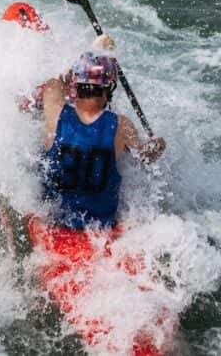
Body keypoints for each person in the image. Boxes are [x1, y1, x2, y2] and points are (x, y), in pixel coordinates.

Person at [37, 36, 166, 233]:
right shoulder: (122, 126)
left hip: (56, 226)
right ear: (109, 88)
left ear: (76, 84)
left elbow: (54, 83)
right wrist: (158, 144)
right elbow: (146, 156)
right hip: (100, 231)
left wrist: (91, 53)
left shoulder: (56, 114)